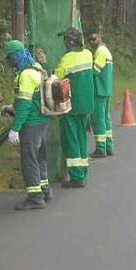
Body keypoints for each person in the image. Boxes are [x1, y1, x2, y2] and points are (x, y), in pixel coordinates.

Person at [38, 27, 94, 188]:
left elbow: (53, 78)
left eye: (65, 41)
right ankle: (83, 172)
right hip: (86, 105)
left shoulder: (67, 59)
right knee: (81, 138)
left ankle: (77, 177)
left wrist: (44, 63)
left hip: (71, 107)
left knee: (71, 140)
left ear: (69, 43)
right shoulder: (88, 54)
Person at [2, 40, 53, 210]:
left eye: (10, 58)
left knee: (29, 160)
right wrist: (12, 107)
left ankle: (35, 197)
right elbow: (33, 98)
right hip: (43, 119)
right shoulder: (37, 68)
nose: (10, 62)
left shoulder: (25, 75)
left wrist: (15, 129)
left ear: (16, 56)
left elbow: (25, 105)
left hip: (32, 122)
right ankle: (45, 190)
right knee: (40, 157)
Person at [86, 30, 114, 158]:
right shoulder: (106, 50)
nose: (92, 42)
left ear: (100, 38)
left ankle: (101, 148)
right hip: (106, 90)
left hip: (99, 90)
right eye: (90, 40)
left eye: (94, 39)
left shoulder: (100, 51)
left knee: (98, 120)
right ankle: (109, 146)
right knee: (106, 119)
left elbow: (94, 71)